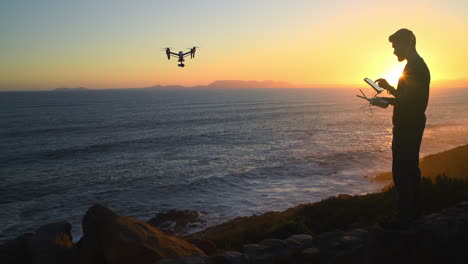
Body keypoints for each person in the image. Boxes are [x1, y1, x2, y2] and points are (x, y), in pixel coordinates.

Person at [374, 28, 430, 228]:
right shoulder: (414, 67)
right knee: (409, 169)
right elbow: (408, 97)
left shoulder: (416, 68)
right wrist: (389, 88)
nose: (394, 51)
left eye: (396, 46)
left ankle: (404, 218)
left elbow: (409, 102)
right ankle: (413, 215)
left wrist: (387, 101)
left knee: (402, 170)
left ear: (408, 43)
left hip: (408, 125)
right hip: (410, 124)